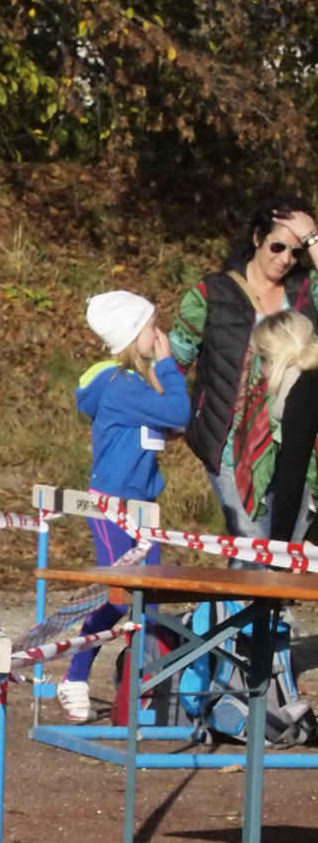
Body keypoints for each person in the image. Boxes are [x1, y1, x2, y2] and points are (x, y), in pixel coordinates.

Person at [56, 291, 190, 722]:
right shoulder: (121, 386)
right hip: (113, 506)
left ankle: (132, 679)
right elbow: (179, 412)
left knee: (148, 601)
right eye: (152, 326)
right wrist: (168, 366)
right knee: (119, 598)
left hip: (143, 506)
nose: (159, 334)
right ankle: (74, 676)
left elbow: (169, 421)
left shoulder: (134, 384)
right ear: (134, 334)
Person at [172, 192, 318, 537]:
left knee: (293, 550)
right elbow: (174, 364)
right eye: (277, 247)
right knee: (251, 548)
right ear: (256, 238)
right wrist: (166, 420)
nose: (285, 259)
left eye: (296, 252)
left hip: (298, 444)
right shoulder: (210, 294)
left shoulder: (306, 291)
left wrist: (312, 237)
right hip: (230, 446)